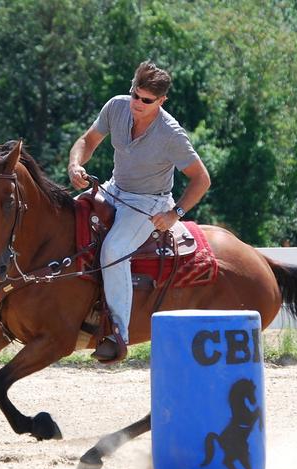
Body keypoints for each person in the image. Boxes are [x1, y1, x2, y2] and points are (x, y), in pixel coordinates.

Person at [67, 60, 211, 363]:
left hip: (149, 203)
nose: (137, 104)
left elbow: (201, 179)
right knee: (69, 221)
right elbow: (87, 141)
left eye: (146, 100)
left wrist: (175, 213)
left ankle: (117, 333)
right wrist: (76, 164)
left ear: (161, 101)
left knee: (113, 251)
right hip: (113, 188)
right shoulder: (116, 107)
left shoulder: (171, 135)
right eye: (135, 95)